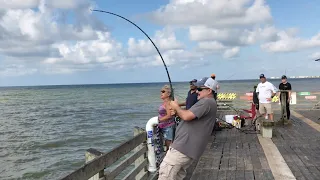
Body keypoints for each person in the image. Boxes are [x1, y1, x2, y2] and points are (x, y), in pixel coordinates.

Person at [158, 77, 217, 180]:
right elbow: (188, 117)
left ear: (209, 90)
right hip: (186, 147)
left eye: (199, 89)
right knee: (176, 176)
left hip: (183, 147)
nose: (196, 91)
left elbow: (186, 116)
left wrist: (176, 107)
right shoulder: (207, 103)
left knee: (165, 174)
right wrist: (177, 112)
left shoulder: (207, 102)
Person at [158, 85, 175, 151]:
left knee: (169, 147)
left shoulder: (168, 103)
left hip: (168, 127)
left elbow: (169, 115)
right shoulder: (165, 102)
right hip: (163, 127)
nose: (161, 93)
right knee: (165, 146)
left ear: (168, 94)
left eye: (163, 91)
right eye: (161, 91)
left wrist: (158, 120)